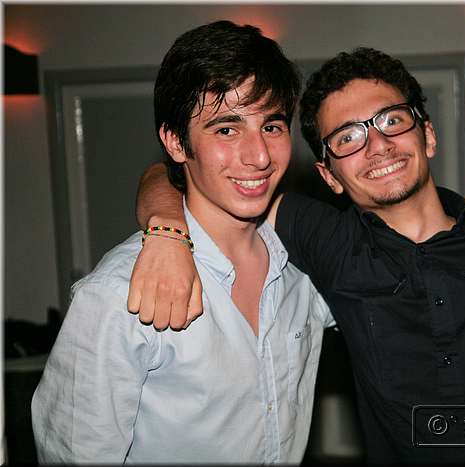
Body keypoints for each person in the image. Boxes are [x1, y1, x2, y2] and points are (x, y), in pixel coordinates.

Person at [131, 47, 465, 465]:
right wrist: (167, 232)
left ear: (427, 134)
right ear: (329, 176)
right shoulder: (331, 244)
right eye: (348, 137)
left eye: (391, 121)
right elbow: (176, 173)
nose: (377, 146)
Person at [32, 21, 336, 463]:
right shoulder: (116, 295)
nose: (259, 156)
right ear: (175, 142)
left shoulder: (305, 265)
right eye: (227, 129)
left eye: (271, 126)